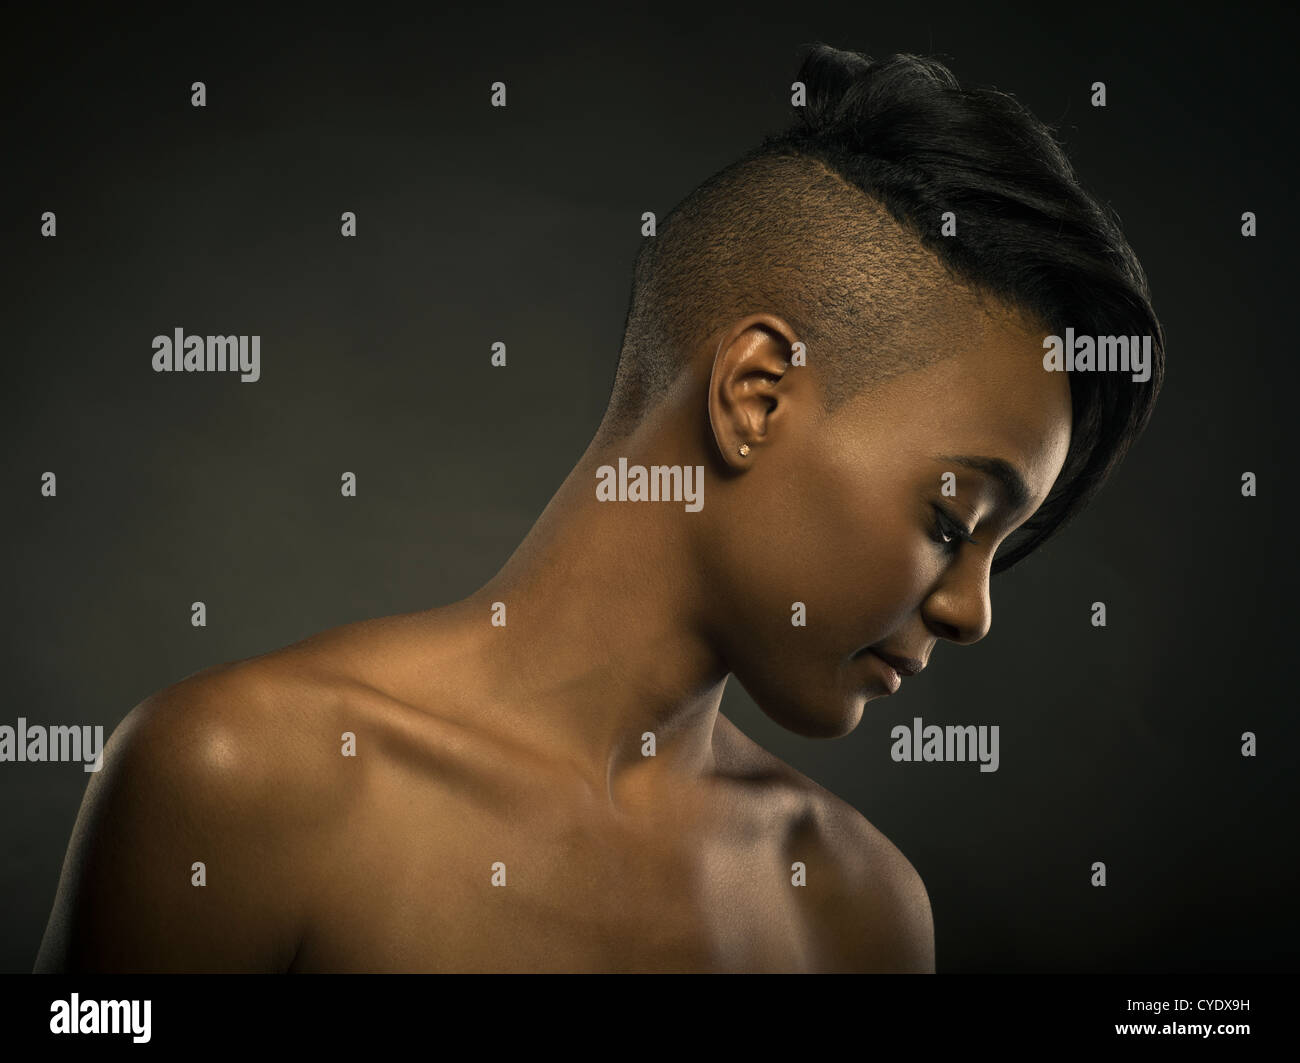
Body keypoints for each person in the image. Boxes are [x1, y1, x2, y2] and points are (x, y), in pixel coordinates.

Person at [34, 43, 1164, 973]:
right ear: (755, 395)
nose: (972, 609)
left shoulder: (858, 915)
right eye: (954, 516)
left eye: (999, 551)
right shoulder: (240, 782)